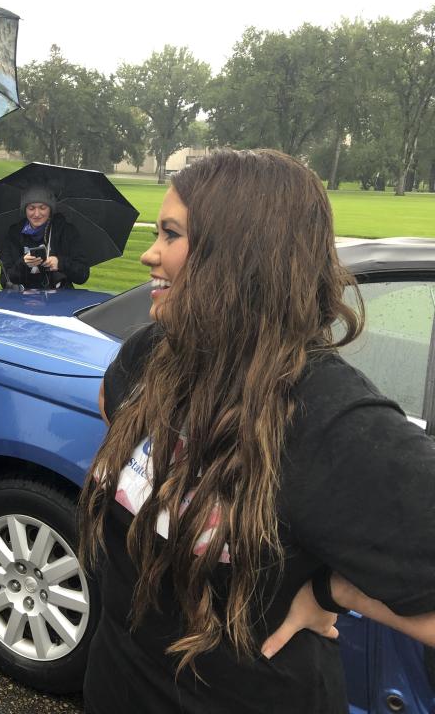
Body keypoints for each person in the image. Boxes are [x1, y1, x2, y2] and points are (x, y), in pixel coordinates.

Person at [79, 149, 435, 713]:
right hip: (117, 685)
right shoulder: (151, 356)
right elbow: (110, 410)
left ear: (241, 256)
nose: (149, 254)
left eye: (170, 234)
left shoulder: (330, 419)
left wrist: (334, 590)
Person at [0, 185, 89, 290]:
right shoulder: (14, 234)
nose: (36, 214)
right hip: (24, 301)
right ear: (25, 210)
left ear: (50, 209)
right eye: (31, 208)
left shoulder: (66, 231)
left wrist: (60, 263)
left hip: (60, 300)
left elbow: (83, 275)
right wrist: (23, 264)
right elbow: (5, 280)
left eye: (42, 208)